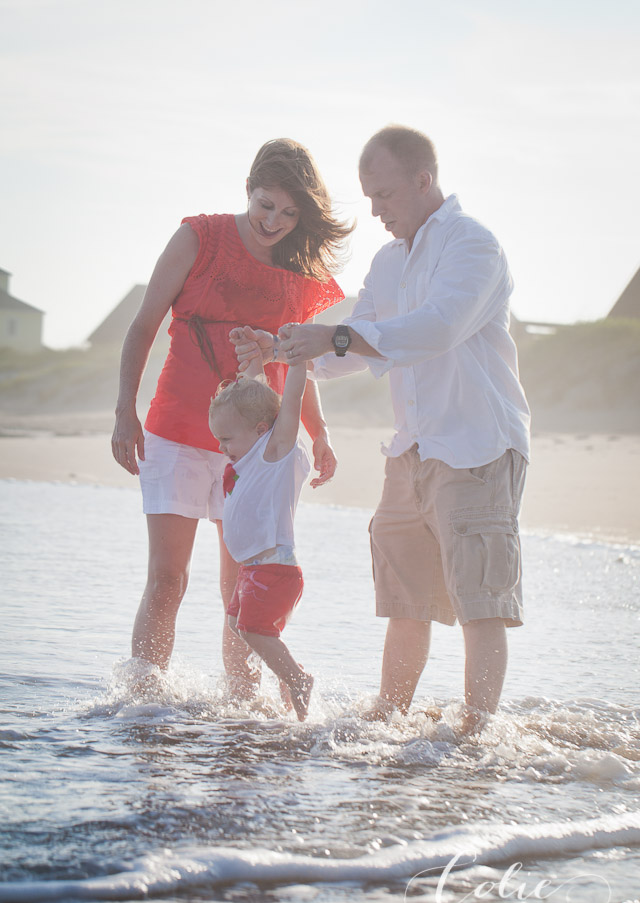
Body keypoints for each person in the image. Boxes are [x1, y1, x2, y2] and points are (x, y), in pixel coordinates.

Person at [236, 125, 531, 725]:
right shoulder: (388, 260)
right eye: (368, 197)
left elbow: (436, 328)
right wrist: (282, 348)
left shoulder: (474, 245)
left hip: (476, 447)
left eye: (385, 196)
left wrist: (338, 334)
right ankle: (387, 723)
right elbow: (347, 345)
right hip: (410, 451)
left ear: (424, 181)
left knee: (481, 606)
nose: (376, 211)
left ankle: (475, 739)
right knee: (405, 602)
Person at [111, 138, 351, 699]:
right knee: (167, 580)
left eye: (290, 214)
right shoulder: (200, 236)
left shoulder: (298, 271)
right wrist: (126, 410)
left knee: (238, 589)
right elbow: (144, 323)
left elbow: (297, 360)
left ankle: (239, 707)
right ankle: (143, 704)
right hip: (174, 430)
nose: (274, 221)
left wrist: (322, 436)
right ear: (249, 189)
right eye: (267, 205)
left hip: (253, 450)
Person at [209, 330, 313, 720]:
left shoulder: (276, 454)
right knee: (239, 625)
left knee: (253, 630)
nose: (221, 448)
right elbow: (255, 393)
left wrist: (298, 362)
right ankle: (285, 679)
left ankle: (297, 679)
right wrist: (253, 359)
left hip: (275, 569)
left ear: (257, 431)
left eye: (225, 439)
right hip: (251, 570)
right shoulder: (248, 456)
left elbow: (289, 404)